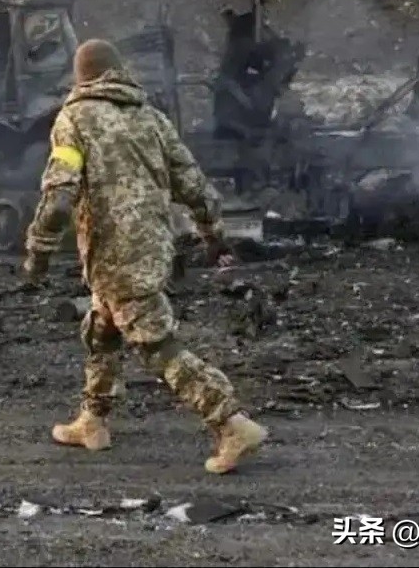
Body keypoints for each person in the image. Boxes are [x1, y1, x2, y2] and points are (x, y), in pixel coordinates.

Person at [21, 38, 268, 475]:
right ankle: (92, 421)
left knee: (158, 346)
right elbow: (194, 186)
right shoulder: (151, 118)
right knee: (101, 330)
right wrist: (214, 239)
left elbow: (59, 198)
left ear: (81, 78)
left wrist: (37, 254)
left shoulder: (73, 120)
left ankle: (232, 423)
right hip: (154, 246)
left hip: (115, 256)